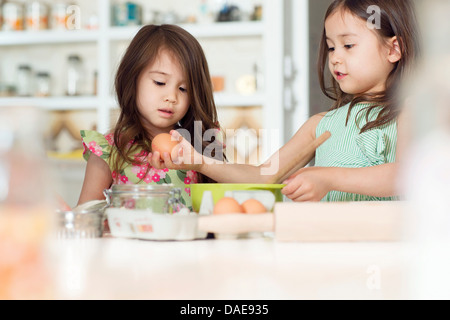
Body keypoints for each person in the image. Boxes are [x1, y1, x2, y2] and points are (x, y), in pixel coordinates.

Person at [153, 0, 419, 202]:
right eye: (330, 47)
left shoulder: (409, 111)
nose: (335, 57)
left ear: (393, 49)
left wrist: (327, 177)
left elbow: (405, 175)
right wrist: (199, 161)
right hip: (328, 250)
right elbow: (264, 175)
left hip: (383, 254)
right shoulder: (321, 125)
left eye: (348, 45)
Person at [77, 24, 224, 210]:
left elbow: (224, 204)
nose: (171, 97)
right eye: (160, 82)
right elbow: (87, 215)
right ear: (132, 79)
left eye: (183, 89)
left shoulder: (199, 144)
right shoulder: (108, 149)